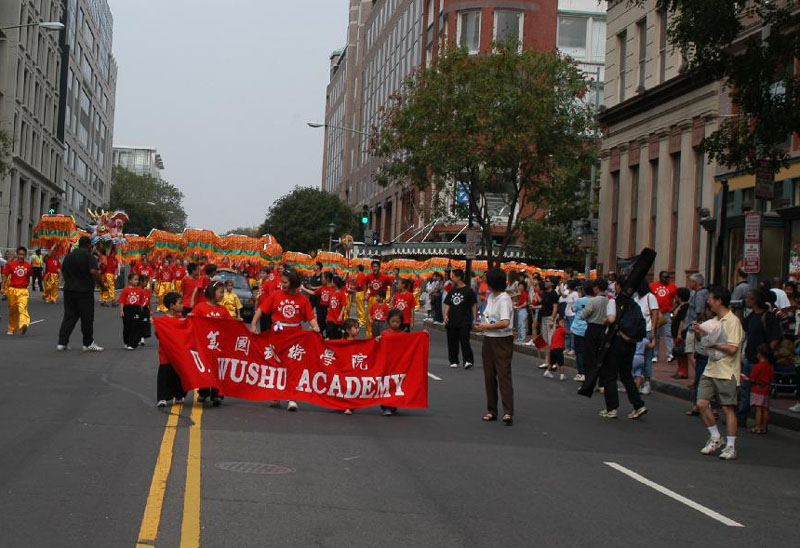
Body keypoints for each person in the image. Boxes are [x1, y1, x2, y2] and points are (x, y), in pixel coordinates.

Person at [250, 269, 320, 412]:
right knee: (275, 365)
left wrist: (316, 327)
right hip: (277, 337)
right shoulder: (276, 295)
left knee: (293, 367)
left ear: (293, 284)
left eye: (286, 282)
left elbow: (311, 317)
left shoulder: (303, 300)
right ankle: (276, 396)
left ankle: (291, 397)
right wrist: (253, 324)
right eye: (282, 282)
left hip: (295, 338)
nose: (283, 284)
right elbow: (261, 309)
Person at [694, 286, 743, 461]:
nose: (708, 301)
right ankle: (715, 437)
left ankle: (731, 446)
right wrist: (699, 334)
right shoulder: (714, 321)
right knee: (701, 403)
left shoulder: (733, 322)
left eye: (711, 298)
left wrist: (714, 344)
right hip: (710, 369)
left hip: (726, 371)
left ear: (719, 301)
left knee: (727, 408)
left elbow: (733, 348)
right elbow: (704, 341)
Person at [597, 280, 648, 420]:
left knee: (610, 375)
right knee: (626, 374)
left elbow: (611, 319)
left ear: (619, 287)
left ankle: (611, 408)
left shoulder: (614, 302)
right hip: (630, 343)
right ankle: (638, 405)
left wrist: (605, 321)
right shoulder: (634, 304)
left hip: (616, 342)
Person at [475, 267, 514, 425]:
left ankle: (508, 412)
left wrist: (487, 326)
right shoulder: (491, 296)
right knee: (489, 376)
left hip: (502, 340)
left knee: (503, 375)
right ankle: (492, 410)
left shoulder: (504, 299)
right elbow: (488, 316)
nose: (486, 283)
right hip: (489, 339)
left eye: (488, 280)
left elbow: (505, 322)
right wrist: (482, 325)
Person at [737, 289, 781, 425]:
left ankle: (760, 423)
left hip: (761, 361)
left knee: (761, 392)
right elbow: (744, 329)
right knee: (745, 389)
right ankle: (742, 417)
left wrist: (766, 355)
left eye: (749, 298)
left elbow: (775, 338)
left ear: (755, 300)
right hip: (749, 357)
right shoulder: (751, 316)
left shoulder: (769, 317)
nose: (747, 301)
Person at [57, 237, 106, 352]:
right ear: (89, 246)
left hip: (69, 290)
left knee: (69, 316)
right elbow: (93, 271)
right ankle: (88, 343)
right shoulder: (89, 257)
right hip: (84, 291)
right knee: (87, 318)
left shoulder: (69, 257)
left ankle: (62, 343)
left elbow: (63, 270)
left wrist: (69, 281)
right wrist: (102, 285)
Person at [190, 281, 230, 407]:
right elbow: (191, 323)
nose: (222, 295)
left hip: (219, 347)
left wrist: (238, 323)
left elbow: (230, 326)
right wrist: (190, 317)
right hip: (203, 347)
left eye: (223, 292)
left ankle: (217, 394)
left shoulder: (223, 310)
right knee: (205, 369)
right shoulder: (200, 307)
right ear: (212, 293)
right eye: (221, 292)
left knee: (218, 370)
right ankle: (203, 392)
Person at [156, 292, 188, 407]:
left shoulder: (182, 319)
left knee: (179, 375)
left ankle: (179, 395)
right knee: (164, 375)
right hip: (166, 355)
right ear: (171, 306)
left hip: (178, 354)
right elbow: (158, 334)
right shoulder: (162, 320)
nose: (183, 305)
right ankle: (162, 398)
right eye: (180, 303)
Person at [444, 269, 477, 370]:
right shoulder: (452, 290)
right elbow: (447, 304)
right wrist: (446, 315)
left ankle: (468, 360)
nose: (452, 279)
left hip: (464, 320)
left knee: (465, 340)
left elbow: (474, 305)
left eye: (453, 276)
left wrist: (475, 318)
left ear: (459, 277)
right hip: (452, 320)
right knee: (452, 341)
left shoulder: (469, 290)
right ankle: (453, 360)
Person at [632, 281, 660, 393]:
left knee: (647, 357)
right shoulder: (636, 298)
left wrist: (653, 328)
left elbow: (655, 313)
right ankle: (637, 382)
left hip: (647, 330)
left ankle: (647, 382)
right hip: (636, 330)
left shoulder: (650, 297)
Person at [378, 308, 405, 416]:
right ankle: (385, 406)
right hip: (387, 364)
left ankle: (392, 405)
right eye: (393, 321)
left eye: (397, 322)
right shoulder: (385, 334)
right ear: (388, 321)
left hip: (398, 364)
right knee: (386, 385)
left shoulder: (403, 335)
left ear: (401, 322)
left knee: (396, 385)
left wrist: (423, 334)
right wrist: (377, 340)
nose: (395, 324)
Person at [3, 247, 33, 336]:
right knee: (13, 310)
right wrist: (2, 287)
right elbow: (5, 275)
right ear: (17, 254)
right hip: (12, 290)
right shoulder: (11, 265)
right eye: (19, 254)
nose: (21, 256)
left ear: (25, 255)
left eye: (23, 255)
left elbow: (29, 277)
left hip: (23, 291)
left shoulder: (28, 266)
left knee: (22, 308)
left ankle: (24, 324)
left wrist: (27, 285)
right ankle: (12, 328)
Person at [747, 344, 774, 434]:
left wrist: (746, 378)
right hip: (766, 389)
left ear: (760, 354)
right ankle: (764, 427)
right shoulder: (770, 366)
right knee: (765, 409)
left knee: (758, 409)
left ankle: (757, 427)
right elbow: (771, 377)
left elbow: (752, 378)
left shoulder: (758, 366)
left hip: (757, 389)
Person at [651, 270, 678, 363]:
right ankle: (655, 355)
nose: (667, 279)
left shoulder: (673, 286)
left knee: (668, 334)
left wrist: (673, 309)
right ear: (660, 277)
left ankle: (670, 354)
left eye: (668, 277)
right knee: (656, 334)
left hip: (667, 313)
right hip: (656, 313)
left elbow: (677, 299)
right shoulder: (654, 285)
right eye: (665, 277)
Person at [365, 260, 392, 336]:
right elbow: (365, 285)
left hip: (382, 300)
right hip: (372, 298)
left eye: (376, 266)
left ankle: (382, 335)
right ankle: (370, 336)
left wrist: (390, 296)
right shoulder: (368, 276)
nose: (375, 268)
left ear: (379, 268)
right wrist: (365, 294)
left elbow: (391, 285)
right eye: (373, 267)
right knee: (370, 317)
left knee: (382, 317)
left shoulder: (385, 277)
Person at [119, 273, 145, 350]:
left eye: (137, 280)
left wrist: (142, 312)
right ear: (130, 281)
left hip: (136, 309)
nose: (137, 281)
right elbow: (122, 301)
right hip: (127, 309)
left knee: (135, 326)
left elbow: (141, 302)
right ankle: (126, 342)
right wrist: (121, 311)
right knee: (127, 326)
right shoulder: (126, 290)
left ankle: (132, 343)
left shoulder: (140, 290)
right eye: (135, 280)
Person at [341, 318, 361, 415]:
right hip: (344, 369)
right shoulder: (342, 342)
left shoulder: (358, 342)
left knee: (352, 388)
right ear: (348, 330)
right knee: (344, 388)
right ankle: (345, 406)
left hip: (354, 369)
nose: (358, 330)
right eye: (355, 328)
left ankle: (349, 405)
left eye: (358, 328)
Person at [671, 287, 692, 379]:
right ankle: (679, 369)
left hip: (680, 332)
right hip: (674, 331)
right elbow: (673, 315)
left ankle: (683, 371)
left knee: (681, 352)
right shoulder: (679, 306)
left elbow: (682, 321)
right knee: (677, 352)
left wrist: (679, 333)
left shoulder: (685, 307)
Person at [570, 283, 589, 382]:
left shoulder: (579, 301)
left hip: (578, 328)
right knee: (587, 351)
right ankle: (587, 372)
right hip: (589, 328)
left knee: (579, 352)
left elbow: (573, 309)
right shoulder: (594, 300)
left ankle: (581, 373)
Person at [545, 317, 567, 381]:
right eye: (562, 322)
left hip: (552, 349)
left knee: (551, 362)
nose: (563, 324)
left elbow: (552, 340)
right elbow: (567, 332)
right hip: (558, 349)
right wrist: (571, 332)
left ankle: (547, 372)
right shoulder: (561, 329)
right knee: (561, 363)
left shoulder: (555, 331)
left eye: (564, 322)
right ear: (557, 324)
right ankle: (562, 375)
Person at [139, 276, 153, 346]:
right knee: (138, 323)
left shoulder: (148, 290)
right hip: (138, 309)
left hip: (145, 309)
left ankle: (142, 338)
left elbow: (149, 301)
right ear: (141, 282)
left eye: (147, 282)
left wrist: (151, 310)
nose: (146, 283)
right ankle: (139, 338)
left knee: (145, 323)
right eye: (145, 281)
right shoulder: (137, 290)